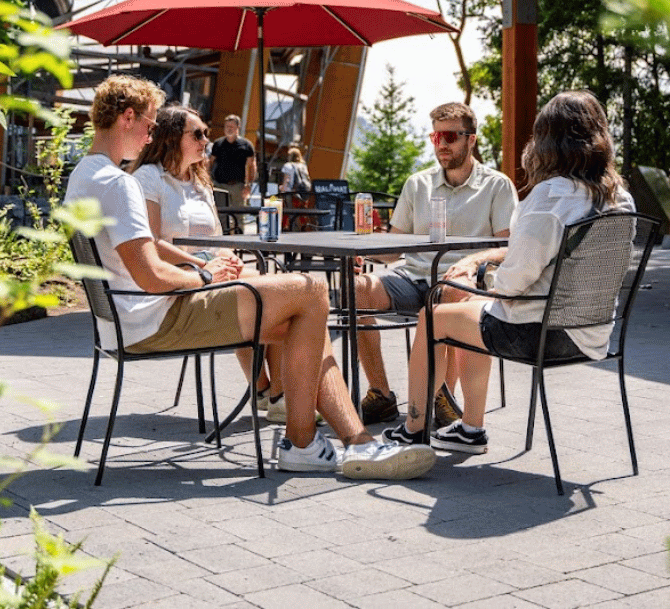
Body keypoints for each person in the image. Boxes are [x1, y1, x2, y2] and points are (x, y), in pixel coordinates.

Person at [64, 75, 435, 480]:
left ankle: (353, 442)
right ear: (128, 117)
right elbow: (151, 275)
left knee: (305, 315)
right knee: (309, 290)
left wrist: (205, 272)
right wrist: (206, 277)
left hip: (131, 318)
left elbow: (143, 266)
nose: (151, 136)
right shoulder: (119, 183)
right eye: (151, 125)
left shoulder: (85, 175)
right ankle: (305, 443)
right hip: (155, 318)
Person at [383, 90, 636, 454]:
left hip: (540, 334)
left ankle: (415, 429)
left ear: (547, 142)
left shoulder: (550, 198)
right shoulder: (619, 198)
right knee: (472, 310)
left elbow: (511, 288)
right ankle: (467, 428)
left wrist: (479, 276)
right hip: (594, 334)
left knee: (434, 318)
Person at [353, 101, 517, 425]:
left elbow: (509, 246)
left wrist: (472, 262)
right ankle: (381, 394)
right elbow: (394, 247)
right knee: (355, 291)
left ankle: (444, 397)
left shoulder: (497, 185)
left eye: (450, 136)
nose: (441, 144)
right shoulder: (418, 183)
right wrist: (364, 250)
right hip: (413, 275)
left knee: (451, 298)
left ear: (471, 139)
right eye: (436, 136)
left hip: (461, 280)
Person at [130, 105, 287, 423]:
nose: (206, 140)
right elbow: (153, 243)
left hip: (209, 271)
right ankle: (276, 394)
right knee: (277, 296)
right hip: (179, 281)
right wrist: (203, 267)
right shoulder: (148, 178)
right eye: (198, 134)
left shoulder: (200, 181)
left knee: (280, 284)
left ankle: (271, 393)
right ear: (172, 138)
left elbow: (216, 237)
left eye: (207, 133)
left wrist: (226, 257)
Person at [208, 115, 256, 207]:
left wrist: (249, 185)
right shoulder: (218, 143)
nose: (229, 129)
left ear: (237, 128)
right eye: (227, 126)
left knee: (238, 216)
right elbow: (210, 162)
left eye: (231, 127)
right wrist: (208, 180)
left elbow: (251, 166)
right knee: (219, 214)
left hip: (237, 186)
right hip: (219, 185)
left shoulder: (246, 145)